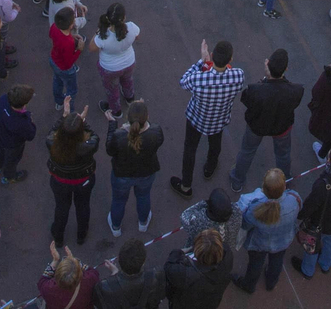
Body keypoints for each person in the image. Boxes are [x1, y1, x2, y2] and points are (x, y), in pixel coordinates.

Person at [170, 39, 245, 198]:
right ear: (230, 59)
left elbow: (183, 82)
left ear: (212, 55)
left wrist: (201, 61)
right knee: (215, 143)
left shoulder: (199, 79)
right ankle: (210, 168)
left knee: (190, 149)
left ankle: (186, 185)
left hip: (196, 118)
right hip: (219, 119)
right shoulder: (238, 76)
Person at [227, 48, 303, 192]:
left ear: (267, 65)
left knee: (247, 151)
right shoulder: (296, 90)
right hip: (282, 127)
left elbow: (246, 99)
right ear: (285, 69)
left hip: (257, 127)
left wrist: (264, 80)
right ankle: (285, 179)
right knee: (283, 154)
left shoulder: (255, 89)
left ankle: (237, 179)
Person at [290, 144, 331, 279]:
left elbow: (311, 205)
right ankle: (325, 264)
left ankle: (307, 270)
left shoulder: (323, 185)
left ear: (329, 161)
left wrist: (300, 215)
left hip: (320, 222)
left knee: (312, 245)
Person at [232, 167, 301, 293]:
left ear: (264, 188)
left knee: (255, 265)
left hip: (259, 243)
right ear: (284, 186)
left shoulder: (256, 208)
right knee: (277, 261)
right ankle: (271, 282)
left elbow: (245, 225)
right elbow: (299, 206)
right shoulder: (293, 199)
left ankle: (248, 286)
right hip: (282, 241)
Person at [105, 98, 163, 236]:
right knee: (143, 196)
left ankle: (116, 227)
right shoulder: (155, 132)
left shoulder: (119, 136)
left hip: (122, 175)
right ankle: (143, 223)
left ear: (127, 118)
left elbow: (109, 150)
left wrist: (112, 125)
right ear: (147, 117)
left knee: (119, 200)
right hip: (146, 173)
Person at [46, 98, 98, 248]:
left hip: (60, 181)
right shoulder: (88, 146)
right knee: (83, 206)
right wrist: (82, 122)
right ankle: (81, 234)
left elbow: (51, 133)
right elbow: (94, 136)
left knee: (61, 207)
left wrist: (64, 117)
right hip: (84, 181)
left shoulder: (52, 143)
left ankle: (58, 237)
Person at [164, 226, 233, 309]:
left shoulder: (186, 273)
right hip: (211, 302)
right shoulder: (228, 255)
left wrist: (179, 251)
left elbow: (168, 267)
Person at [96, 239, 165, 308]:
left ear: (119, 259)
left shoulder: (104, 286)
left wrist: (115, 275)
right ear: (143, 263)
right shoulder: (157, 275)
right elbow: (161, 295)